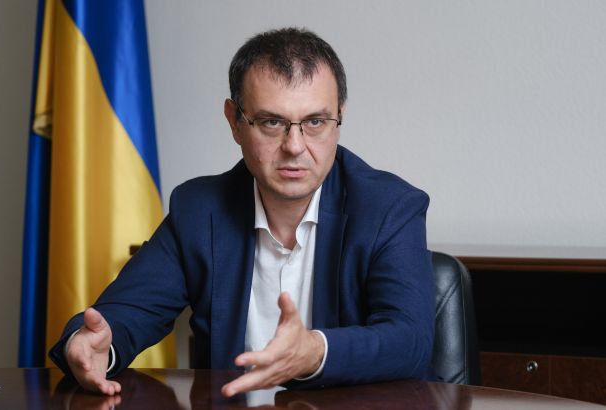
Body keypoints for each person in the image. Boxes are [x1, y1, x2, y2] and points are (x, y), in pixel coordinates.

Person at [49, 27, 435, 397]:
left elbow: (410, 341)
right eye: (272, 122)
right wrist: (92, 345)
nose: (294, 146)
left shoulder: (389, 208)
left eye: (315, 122)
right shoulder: (199, 210)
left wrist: (315, 352)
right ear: (235, 121)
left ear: (339, 119)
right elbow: (125, 312)